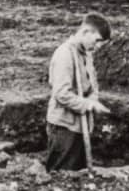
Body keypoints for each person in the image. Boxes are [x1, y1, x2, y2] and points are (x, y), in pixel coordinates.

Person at [45, 13, 112, 171]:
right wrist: (88, 104)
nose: (96, 47)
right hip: (64, 127)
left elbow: (92, 83)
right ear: (85, 32)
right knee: (61, 175)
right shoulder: (65, 54)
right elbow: (61, 93)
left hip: (81, 125)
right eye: (96, 41)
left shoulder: (86, 54)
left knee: (76, 177)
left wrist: (93, 98)